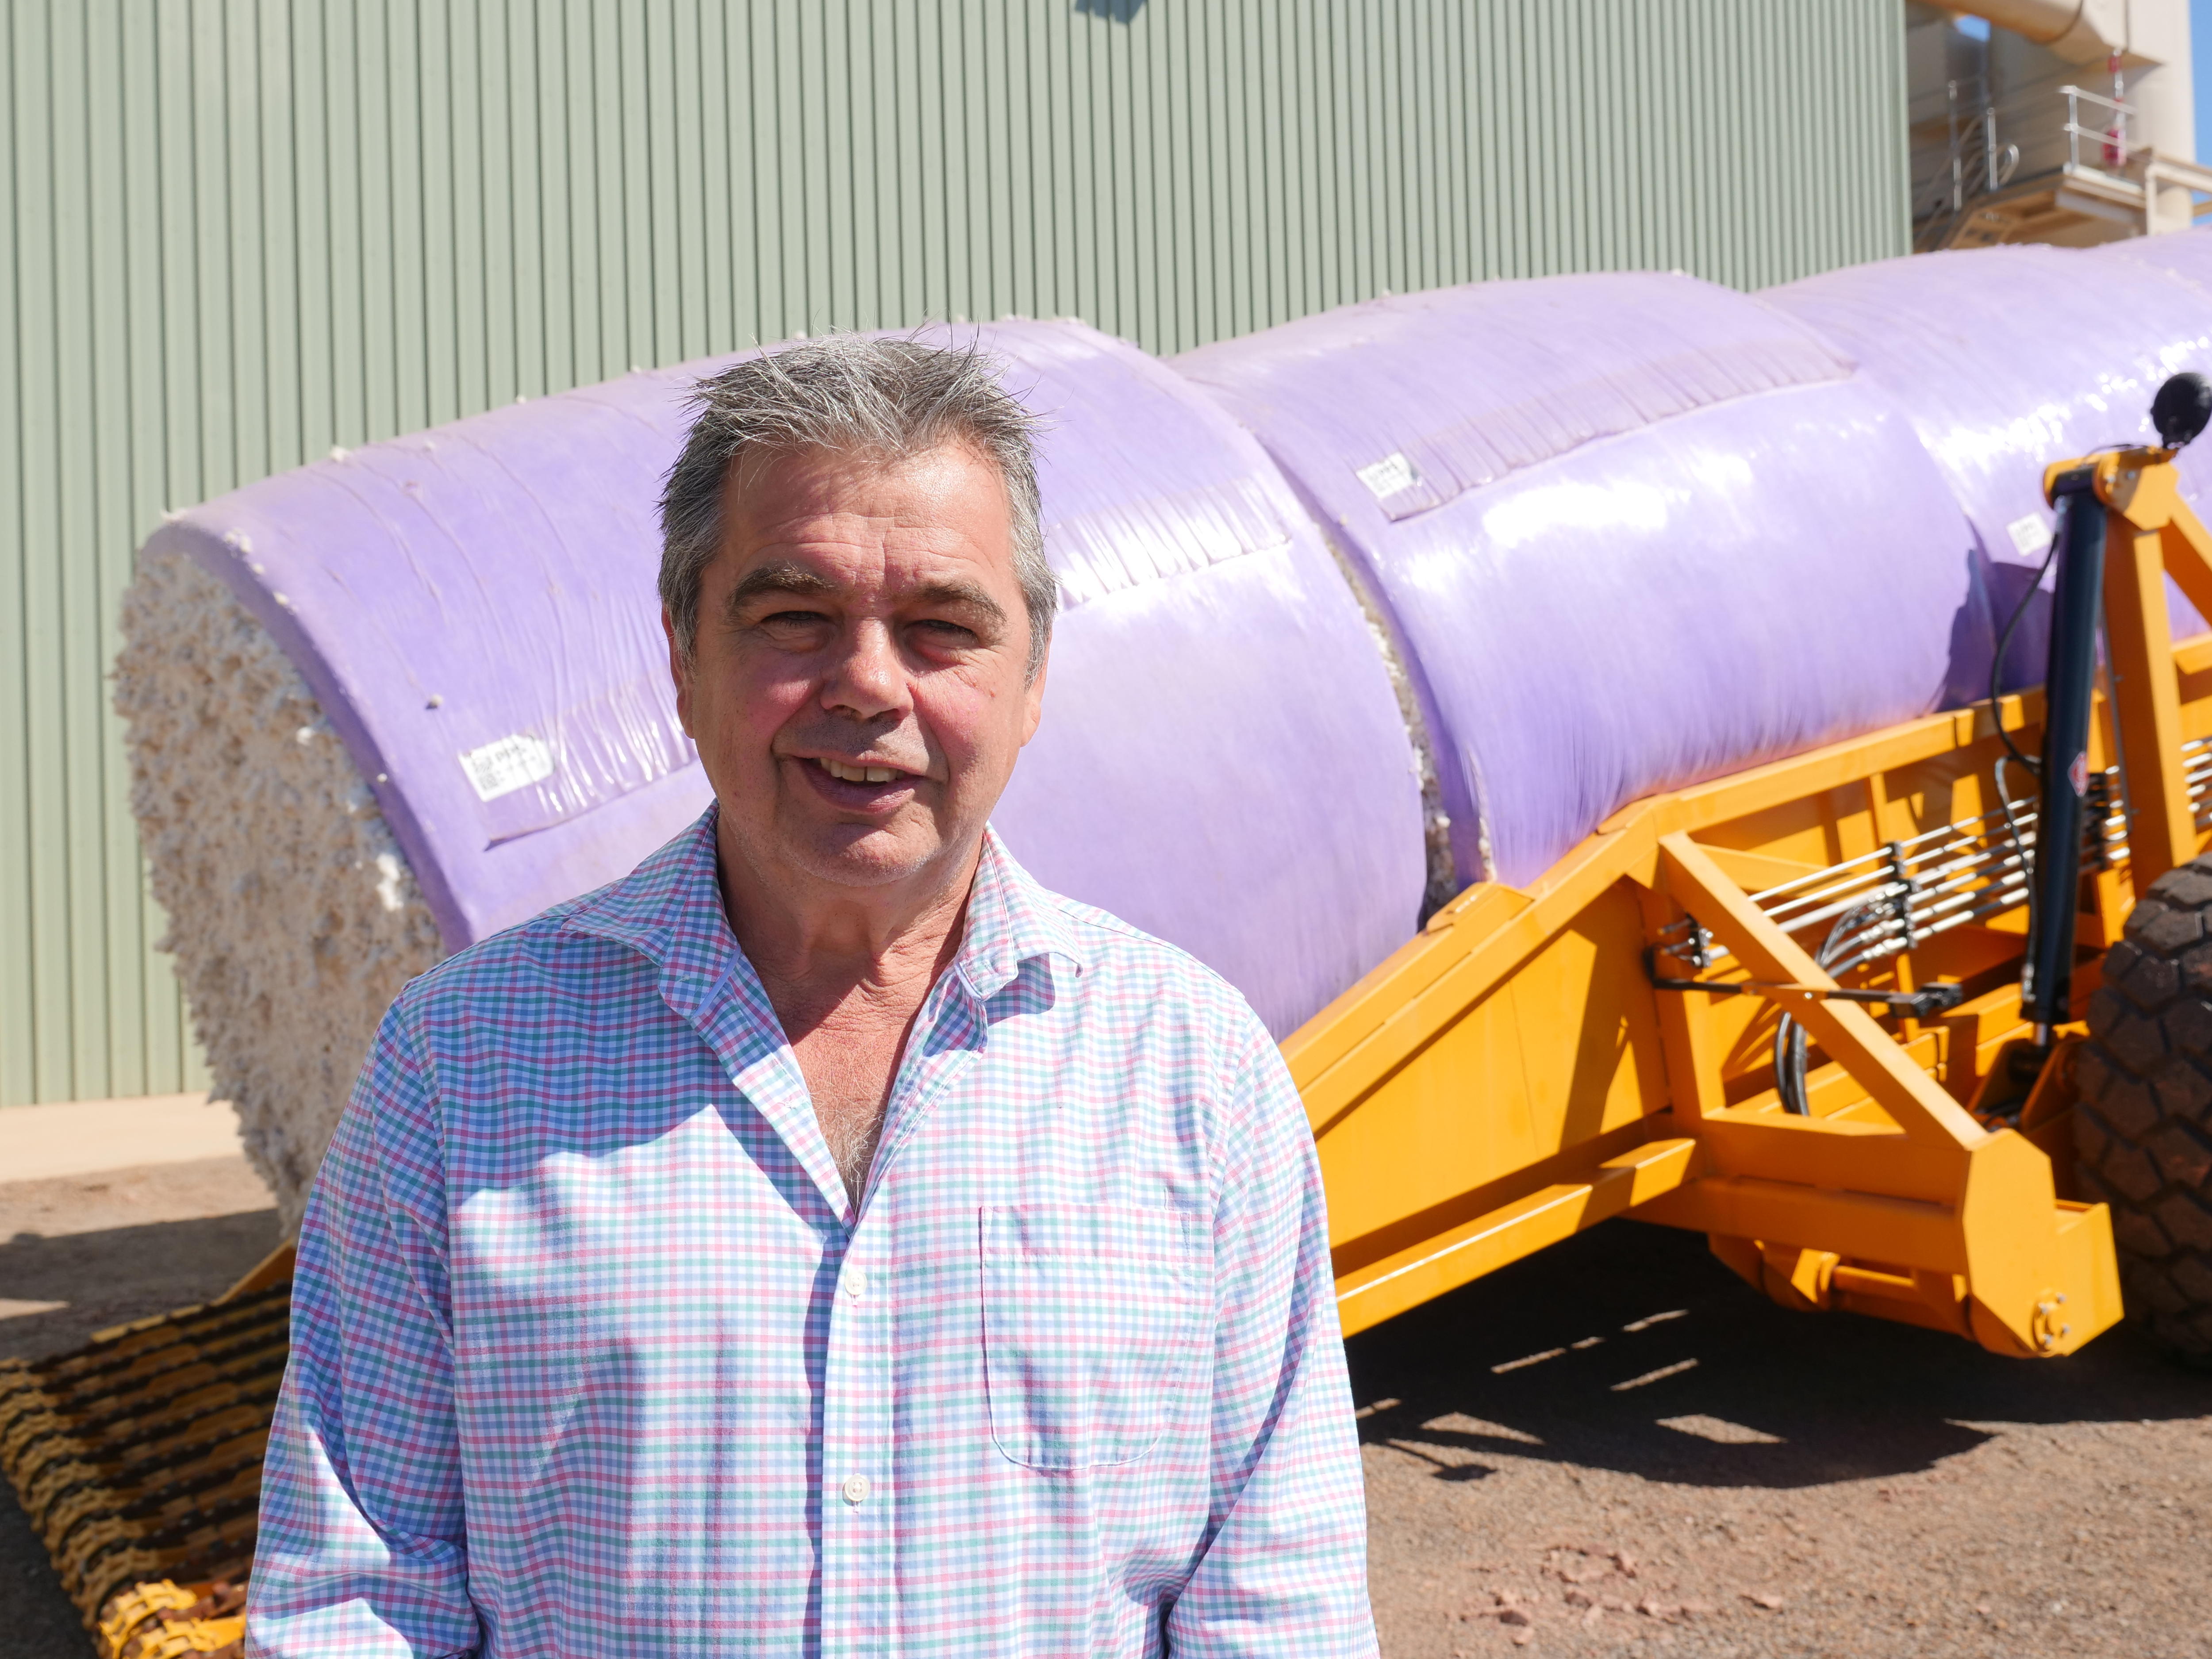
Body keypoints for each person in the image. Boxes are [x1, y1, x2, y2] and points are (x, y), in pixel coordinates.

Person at [246, 335, 1377, 1658]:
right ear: (682, 655)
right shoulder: (465, 1067)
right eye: (795, 619)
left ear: (1031, 680)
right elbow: (358, 1604)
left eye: (944, 628)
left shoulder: (1193, 1071)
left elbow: (1275, 1611)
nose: (870, 685)